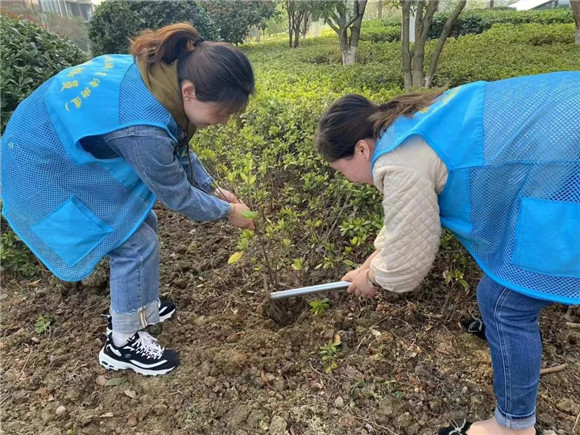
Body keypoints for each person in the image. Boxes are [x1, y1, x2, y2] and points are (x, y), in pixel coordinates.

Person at [315, 72, 580, 435]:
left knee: (503, 302)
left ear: (361, 149)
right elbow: (404, 224)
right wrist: (370, 263)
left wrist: (375, 277)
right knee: (502, 292)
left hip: (566, 159)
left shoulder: (398, 160)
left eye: (339, 169)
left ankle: (515, 427)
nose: (344, 178)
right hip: (561, 134)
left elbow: (406, 267)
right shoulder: (408, 125)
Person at [0, 23, 256, 376]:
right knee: (132, 244)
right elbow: (177, 194)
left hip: (52, 142)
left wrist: (214, 189)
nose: (224, 122)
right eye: (223, 113)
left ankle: (140, 306)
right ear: (190, 91)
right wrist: (227, 211)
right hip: (39, 163)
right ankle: (123, 342)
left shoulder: (160, 76)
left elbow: (176, 149)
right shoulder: (143, 127)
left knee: (139, 223)